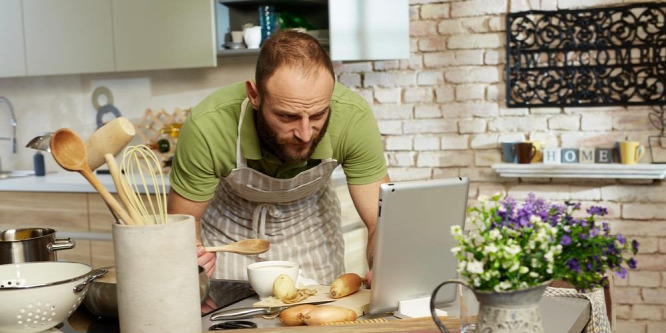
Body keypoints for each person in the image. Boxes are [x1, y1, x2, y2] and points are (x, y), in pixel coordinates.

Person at [168, 30, 389, 285]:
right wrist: (191, 262)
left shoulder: (353, 118)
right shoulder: (207, 126)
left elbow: (379, 220)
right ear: (254, 96)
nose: (305, 134)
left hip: (311, 232)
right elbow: (184, 223)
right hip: (229, 239)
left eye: (318, 115)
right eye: (287, 116)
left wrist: (386, 265)